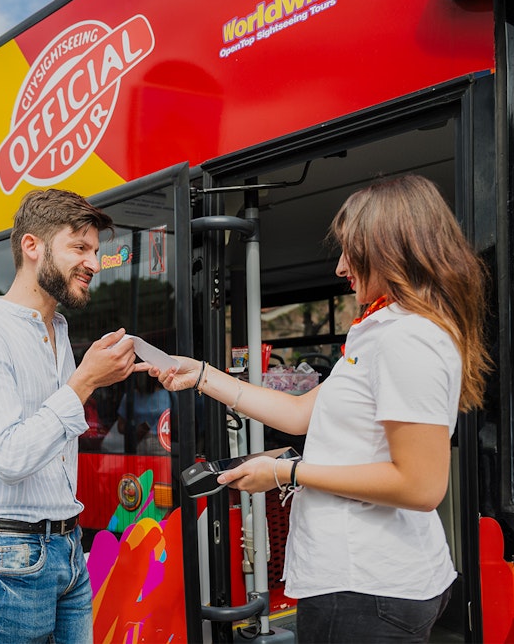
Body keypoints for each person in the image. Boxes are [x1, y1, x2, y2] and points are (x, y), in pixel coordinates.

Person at [148, 175, 491, 643]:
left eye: (353, 252)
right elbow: (299, 415)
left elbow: (422, 485)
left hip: (367, 586)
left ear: (391, 250)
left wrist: (288, 473)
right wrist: (204, 376)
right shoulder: (380, 330)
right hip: (367, 580)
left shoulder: (406, 337)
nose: (341, 267)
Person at [0, 188, 140, 643]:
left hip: (64, 547)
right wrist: (84, 382)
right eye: (79, 247)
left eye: (95, 250)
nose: (93, 262)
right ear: (33, 247)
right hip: (2, 555)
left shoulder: (59, 331)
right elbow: (9, 456)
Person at [103, 373, 172, 454]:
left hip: (161, 442)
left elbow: (176, 421)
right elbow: (120, 426)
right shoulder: (130, 396)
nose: (143, 380)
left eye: (146, 376)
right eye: (140, 376)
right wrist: (134, 429)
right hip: (138, 442)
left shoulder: (167, 394)